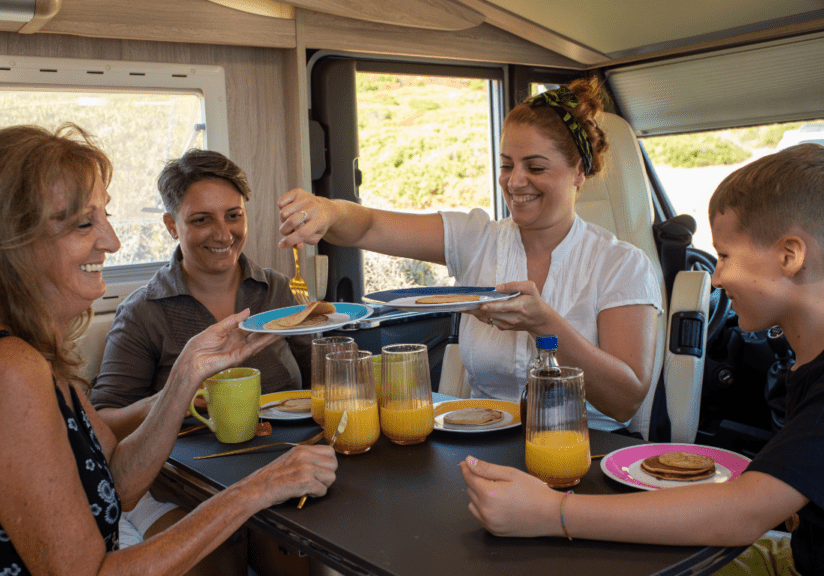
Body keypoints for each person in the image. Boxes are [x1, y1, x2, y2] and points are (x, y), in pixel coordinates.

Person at [0, 124, 337, 576]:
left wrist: (188, 370)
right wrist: (254, 490)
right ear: (11, 241)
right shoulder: (4, 371)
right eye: (85, 223)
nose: (112, 241)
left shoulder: (17, 349)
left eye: (105, 217)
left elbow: (114, 485)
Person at [459, 143, 824, 575]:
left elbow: (744, 513)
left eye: (727, 255)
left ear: (790, 255)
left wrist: (552, 513)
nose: (715, 277)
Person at [278, 77, 662, 432]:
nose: (515, 181)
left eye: (536, 167)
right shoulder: (477, 238)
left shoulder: (621, 265)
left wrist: (545, 324)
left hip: (584, 447)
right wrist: (327, 211)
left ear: (579, 171)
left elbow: (624, 401)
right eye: (507, 165)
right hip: (483, 439)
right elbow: (369, 226)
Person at [90, 149, 312, 441]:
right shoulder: (142, 312)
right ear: (172, 226)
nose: (223, 235)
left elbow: (319, 378)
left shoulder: (280, 289)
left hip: (292, 453)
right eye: (201, 220)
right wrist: (168, 400)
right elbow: (101, 424)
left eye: (233, 216)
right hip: (192, 474)